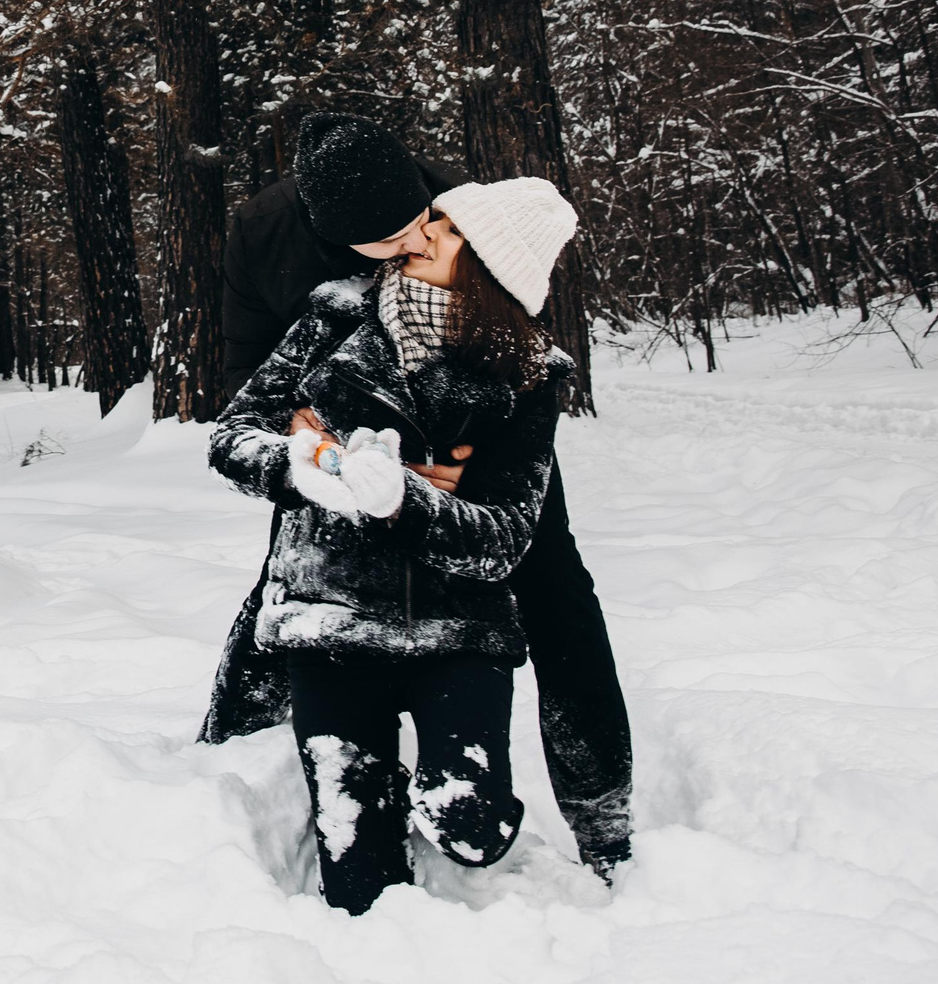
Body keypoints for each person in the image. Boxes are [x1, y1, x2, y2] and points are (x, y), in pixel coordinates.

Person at [201, 114, 633, 884]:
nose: (413, 242)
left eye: (421, 227)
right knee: (292, 570)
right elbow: (248, 403)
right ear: (340, 239)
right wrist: (307, 463)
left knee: (553, 584)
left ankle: (602, 816)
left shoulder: (449, 211)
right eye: (391, 240)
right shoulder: (270, 242)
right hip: (336, 435)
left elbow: (507, 315)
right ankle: (227, 752)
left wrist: (441, 467)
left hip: (462, 419)